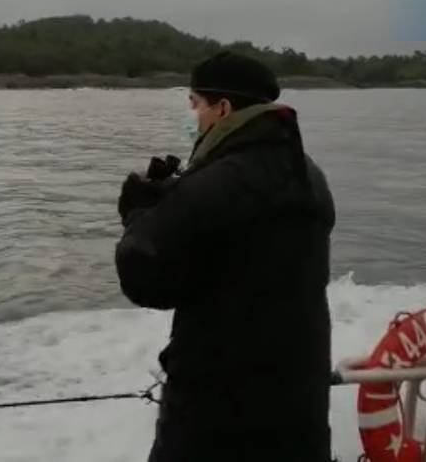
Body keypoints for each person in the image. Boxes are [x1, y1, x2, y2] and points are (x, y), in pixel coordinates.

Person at [115, 51, 336, 462]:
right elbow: (243, 259)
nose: (193, 117)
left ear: (223, 108)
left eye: (195, 105)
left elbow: (146, 278)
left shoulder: (216, 181)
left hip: (216, 415)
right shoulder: (310, 175)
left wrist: (140, 214)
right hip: (298, 404)